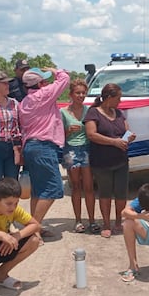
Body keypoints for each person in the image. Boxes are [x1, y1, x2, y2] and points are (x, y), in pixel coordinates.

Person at [18, 66, 70, 237]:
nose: (47, 82)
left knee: (38, 191)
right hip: (43, 146)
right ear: (40, 84)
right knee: (54, 188)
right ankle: (32, 228)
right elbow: (64, 79)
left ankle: (34, 228)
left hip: (31, 147)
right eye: (44, 80)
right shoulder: (43, 95)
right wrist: (55, 70)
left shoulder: (25, 101)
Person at [84, 83, 136, 238]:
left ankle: (118, 222)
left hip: (120, 160)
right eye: (118, 98)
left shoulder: (119, 113)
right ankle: (106, 224)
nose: (120, 101)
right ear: (108, 98)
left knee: (121, 193)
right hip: (102, 161)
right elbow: (91, 135)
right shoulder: (93, 113)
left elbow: (126, 130)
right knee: (105, 193)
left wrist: (129, 137)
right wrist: (114, 142)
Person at [61, 79, 97, 234]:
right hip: (70, 150)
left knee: (89, 187)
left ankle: (92, 221)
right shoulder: (62, 112)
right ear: (71, 94)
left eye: (83, 93)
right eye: (78, 93)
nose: (81, 95)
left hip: (87, 149)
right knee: (76, 186)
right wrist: (68, 131)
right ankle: (77, 221)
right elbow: (57, 135)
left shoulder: (89, 111)